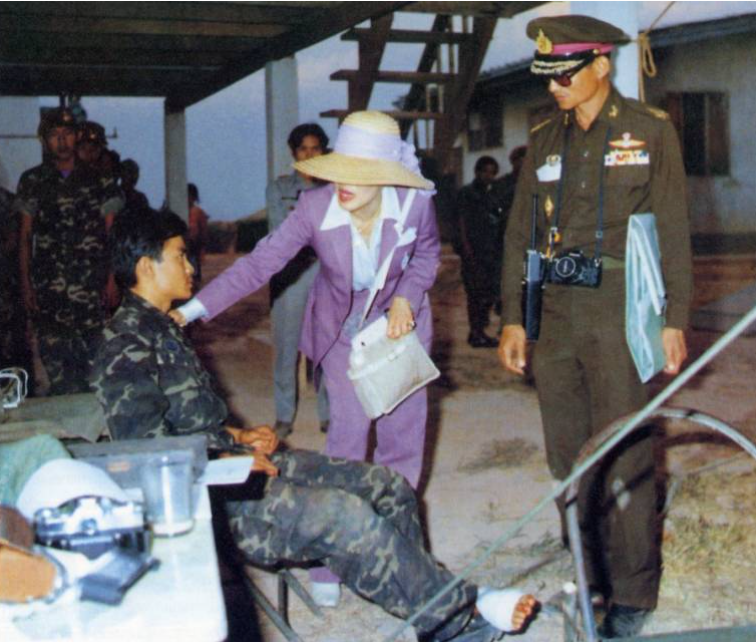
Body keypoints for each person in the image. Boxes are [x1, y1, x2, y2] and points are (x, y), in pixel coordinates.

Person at [90, 209, 537, 642]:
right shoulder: (125, 344)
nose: (191, 267)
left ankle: (434, 614)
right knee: (344, 514)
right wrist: (224, 460)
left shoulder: (164, 327)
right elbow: (147, 455)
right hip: (208, 501)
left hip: (232, 464)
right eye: (180, 256)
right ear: (146, 267)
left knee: (387, 486)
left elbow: (188, 421)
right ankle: (459, 614)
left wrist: (238, 436)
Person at [497, 16, 692, 639]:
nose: (554, 87)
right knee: (568, 451)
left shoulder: (648, 131)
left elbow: (674, 231)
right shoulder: (544, 139)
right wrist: (513, 318)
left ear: (601, 66)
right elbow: (521, 233)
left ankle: (633, 591)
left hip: (620, 306)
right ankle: (588, 574)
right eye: (548, 77)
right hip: (555, 310)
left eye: (565, 75)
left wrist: (674, 320)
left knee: (625, 448)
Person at [174, 111, 439, 493]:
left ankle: (400, 511)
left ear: (385, 176)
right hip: (342, 326)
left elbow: (426, 255)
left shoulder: (414, 204)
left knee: (401, 433)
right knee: (347, 433)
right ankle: (347, 516)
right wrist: (189, 312)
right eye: (339, 170)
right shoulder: (315, 207)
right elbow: (259, 264)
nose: (342, 183)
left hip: (400, 324)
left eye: (357, 174)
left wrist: (405, 299)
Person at [15, 108, 123, 395]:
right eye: (54, 135)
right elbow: (25, 237)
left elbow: (112, 234)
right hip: (49, 293)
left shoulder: (101, 180)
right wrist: (26, 284)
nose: (61, 141)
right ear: (44, 140)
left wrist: (112, 279)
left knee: (98, 373)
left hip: (92, 291)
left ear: (76, 137)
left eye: (67, 134)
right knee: (60, 376)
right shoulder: (32, 181)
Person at [266, 123, 331, 438]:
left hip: (327, 275)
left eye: (315, 148)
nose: (309, 154)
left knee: (327, 346)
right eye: (303, 148)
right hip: (290, 276)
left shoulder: (334, 188)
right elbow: (281, 232)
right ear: (294, 153)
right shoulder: (279, 188)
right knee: (286, 347)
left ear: (323, 151)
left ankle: (328, 413)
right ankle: (284, 415)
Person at [456, 156, 507, 347]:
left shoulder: (492, 194)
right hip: (474, 254)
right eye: (485, 171)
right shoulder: (466, 194)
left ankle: (479, 332)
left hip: (490, 254)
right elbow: (461, 224)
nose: (489, 175)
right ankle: (476, 333)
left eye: (492, 172)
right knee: (475, 295)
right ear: (477, 172)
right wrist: (467, 251)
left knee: (489, 294)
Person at [187, 182, 209, 283]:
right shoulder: (177, 211)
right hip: (180, 249)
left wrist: (201, 252)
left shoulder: (198, 213)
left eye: (189, 195)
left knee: (193, 278)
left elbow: (203, 233)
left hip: (193, 250)